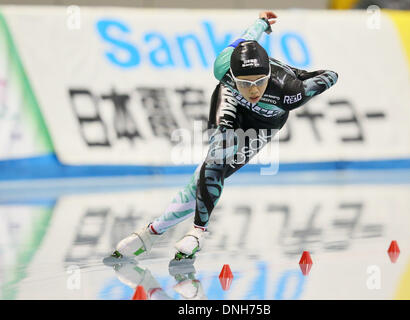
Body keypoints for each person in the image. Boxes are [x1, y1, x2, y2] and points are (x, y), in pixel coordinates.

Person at [112, 11, 338, 261]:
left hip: (264, 123)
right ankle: (197, 232)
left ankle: (152, 232)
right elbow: (245, 38)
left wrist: (303, 75)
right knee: (216, 160)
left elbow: (331, 75)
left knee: (205, 176)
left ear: (268, 78)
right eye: (245, 83)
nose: (252, 90)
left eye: (259, 83)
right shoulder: (223, 67)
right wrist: (261, 23)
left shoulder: (290, 91)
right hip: (230, 101)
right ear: (232, 74)